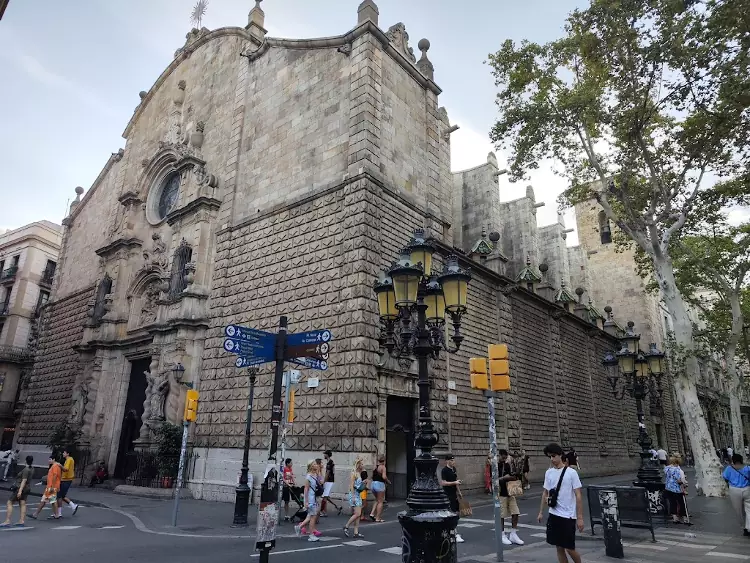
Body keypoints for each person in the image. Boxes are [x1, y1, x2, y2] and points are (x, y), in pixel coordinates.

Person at [538, 443, 584, 563]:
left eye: (554, 456)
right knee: (559, 547)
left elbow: (578, 495)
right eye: (550, 457)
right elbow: (545, 493)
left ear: (560, 455)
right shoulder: (549, 473)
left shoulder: (571, 473)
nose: (552, 459)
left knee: (569, 548)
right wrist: (541, 512)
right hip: (554, 515)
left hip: (568, 516)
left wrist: (580, 517)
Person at [498, 449, 524, 545]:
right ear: (499, 455)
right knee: (502, 515)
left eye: (505, 457)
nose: (504, 459)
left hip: (510, 492)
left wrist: (510, 476)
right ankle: (502, 534)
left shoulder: (508, 465)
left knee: (516, 512)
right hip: (501, 493)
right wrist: (504, 478)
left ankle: (513, 533)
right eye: (503, 457)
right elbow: (494, 480)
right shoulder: (495, 466)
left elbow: (513, 477)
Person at [722, 453, 750, 536]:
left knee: (739, 511)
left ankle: (744, 528)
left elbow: (725, 478)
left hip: (734, 490)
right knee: (749, 509)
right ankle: (749, 527)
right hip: (747, 489)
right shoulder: (748, 468)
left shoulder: (729, 469)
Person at [1, 455, 33, 528]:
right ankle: (21, 520)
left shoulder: (26, 470)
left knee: (9, 502)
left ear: (25, 461)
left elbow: (24, 480)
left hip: (20, 488)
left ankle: (7, 521)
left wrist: (19, 491)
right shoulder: (32, 469)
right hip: (27, 488)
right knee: (22, 503)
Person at [440, 454, 465, 543]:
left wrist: (459, 492)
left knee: (457, 514)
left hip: (454, 494)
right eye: (451, 460)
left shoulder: (454, 469)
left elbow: (456, 481)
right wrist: (454, 482)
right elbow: (443, 483)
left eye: (453, 460)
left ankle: (451, 531)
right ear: (447, 461)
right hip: (448, 495)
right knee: (452, 514)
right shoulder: (444, 470)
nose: (453, 462)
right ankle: (454, 533)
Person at [29, 456, 63, 521]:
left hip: (52, 487)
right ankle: (35, 514)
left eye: (50, 459)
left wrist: (52, 486)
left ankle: (57, 514)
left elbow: (55, 475)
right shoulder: (54, 466)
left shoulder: (55, 466)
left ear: (54, 459)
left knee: (52, 501)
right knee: (44, 500)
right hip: (49, 487)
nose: (49, 460)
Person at [295, 460, 321, 542]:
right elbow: (306, 489)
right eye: (314, 464)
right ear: (310, 466)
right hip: (310, 499)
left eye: (316, 464)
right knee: (313, 517)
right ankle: (311, 535)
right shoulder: (308, 477)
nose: (316, 465)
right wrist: (306, 501)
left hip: (314, 498)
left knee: (310, 516)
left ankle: (299, 527)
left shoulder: (315, 474)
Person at [343, 458, 366, 538]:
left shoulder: (360, 473)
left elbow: (358, 484)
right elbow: (351, 485)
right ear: (358, 465)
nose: (363, 465)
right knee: (357, 513)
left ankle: (356, 532)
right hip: (354, 494)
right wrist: (352, 496)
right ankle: (346, 526)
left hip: (358, 494)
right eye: (362, 464)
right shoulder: (354, 473)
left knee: (358, 514)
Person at [664, 456, 690, 525]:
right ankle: (685, 518)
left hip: (668, 488)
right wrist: (684, 485)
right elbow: (682, 481)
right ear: (677, 463)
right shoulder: (679, 471)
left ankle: (675, 518)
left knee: (672, 503)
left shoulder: (667, 469)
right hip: (677, 490)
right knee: (681, 503)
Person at [57, 449, 79, 517]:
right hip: (66, 479)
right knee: (62, 495)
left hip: (65, 480)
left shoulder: (69, 460)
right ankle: (73, 506)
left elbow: (66, 469)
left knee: (59, 496)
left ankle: (59, 513)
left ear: (68, 454)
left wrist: (59, 465)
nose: (63, 454)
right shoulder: (69, 459)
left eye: (64, 452)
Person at [320, 450, 342, 517]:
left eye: (324, 454)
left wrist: (324, 481)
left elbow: (327, 473)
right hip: (329, 481)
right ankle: (337, 507)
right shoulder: (330, 462)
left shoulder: (329, 462)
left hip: (329, 481)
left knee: (324, 497)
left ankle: (321, 511)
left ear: (327, 455)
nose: (324, 455)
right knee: (326, 496)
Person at [369, 455, 390, 522]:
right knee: (380, 501)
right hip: (380, 484)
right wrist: (388, 481)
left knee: (377, 499)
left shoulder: (375, 467)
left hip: (373, 484)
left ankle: (372, 513)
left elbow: (371, 476)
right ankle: (378, 518)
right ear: (384, 461)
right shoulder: (383, 467)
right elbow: (384, 477)